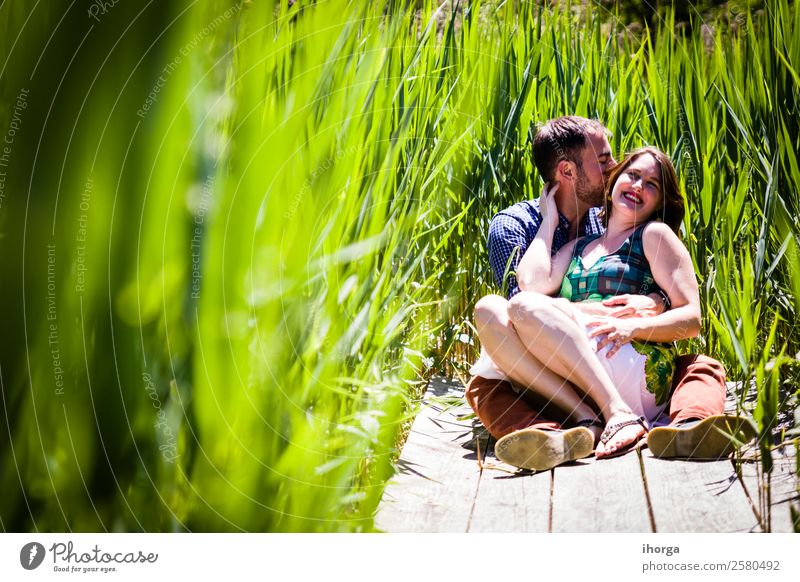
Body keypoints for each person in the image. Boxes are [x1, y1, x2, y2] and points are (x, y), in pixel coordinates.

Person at [466, 117, 753, 471]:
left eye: (651, 184)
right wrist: (550, 220)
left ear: (661, 199)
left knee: (700, 367)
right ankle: (564, 429)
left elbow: (688, 314)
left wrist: (652, 304)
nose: (617, 170)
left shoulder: (641, 230)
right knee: (488, 346)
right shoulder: (542, 233)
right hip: (560, 368)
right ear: (567, 172)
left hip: (617, 355)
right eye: (607, 163)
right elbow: (525, 295)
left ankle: (684, 423)